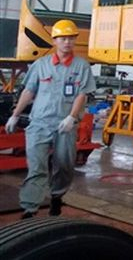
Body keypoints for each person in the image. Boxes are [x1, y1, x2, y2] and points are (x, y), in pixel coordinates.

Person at [4, 19, 96, 219]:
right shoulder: (41, 65)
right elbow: (29, 91)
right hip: (39, 124)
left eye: (71, 38)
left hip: (65, 126)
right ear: (55, 40)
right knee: (37, 167)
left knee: (64, 166)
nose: (67, 42)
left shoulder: (81, 66)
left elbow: (82, 94)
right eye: (63, 38)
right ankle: (30, 208)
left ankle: (56, 197)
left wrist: (71, 117)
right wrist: (15, 115)